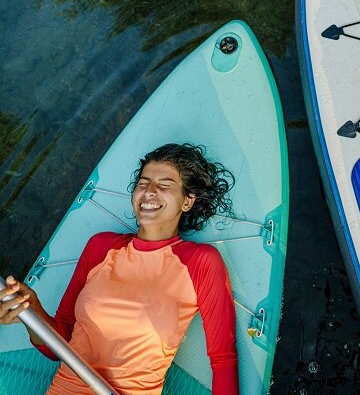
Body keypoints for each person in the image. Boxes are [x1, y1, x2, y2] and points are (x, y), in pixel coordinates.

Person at [0, 143, 239, 395]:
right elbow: (56, 347)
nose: (149, 191)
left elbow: (223, 358)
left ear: (187, 201)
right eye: (143, 182)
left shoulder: (200, 261)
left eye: (165, 184)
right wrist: (32, 313)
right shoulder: (101, 247)